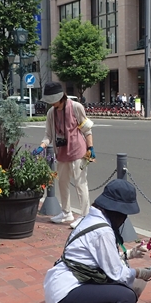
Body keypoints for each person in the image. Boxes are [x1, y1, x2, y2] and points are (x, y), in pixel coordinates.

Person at [43, 179, 151, 303]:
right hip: (64, 295)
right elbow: (117, 274)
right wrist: (140, 273)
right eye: (124, 214)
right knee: (126, 297)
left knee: (123, 286)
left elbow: (101, 258)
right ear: (116, 210)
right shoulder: (102, 230)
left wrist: (129, 254)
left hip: (61, 288)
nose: (124, 218)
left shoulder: (92, 218)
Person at [34, 82, 94, 229]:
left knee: (81, 184)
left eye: (52, 100)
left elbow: (87, 129)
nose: (51, 103)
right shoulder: (51, 113)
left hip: (78, 151)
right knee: (62, 184)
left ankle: (85, 216)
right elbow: (48, 135)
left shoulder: (76, 107)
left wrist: (91, 147)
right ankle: (66, 212)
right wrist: (41, 146)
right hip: (61, 153)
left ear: (60, 97)